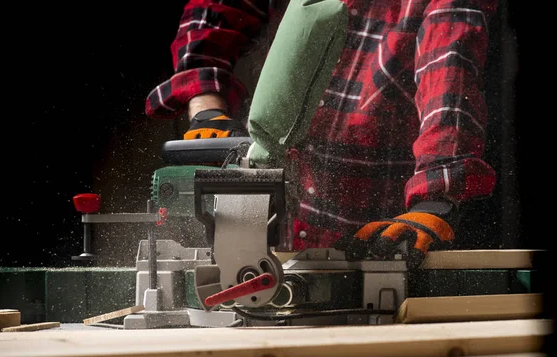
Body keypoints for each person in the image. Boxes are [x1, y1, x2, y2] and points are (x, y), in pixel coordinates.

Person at [144, 0, 499, 268]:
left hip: (372, 238)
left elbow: (449, 66)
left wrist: (435, 195)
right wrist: (206, 107)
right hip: (283, 228)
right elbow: (216, 10)